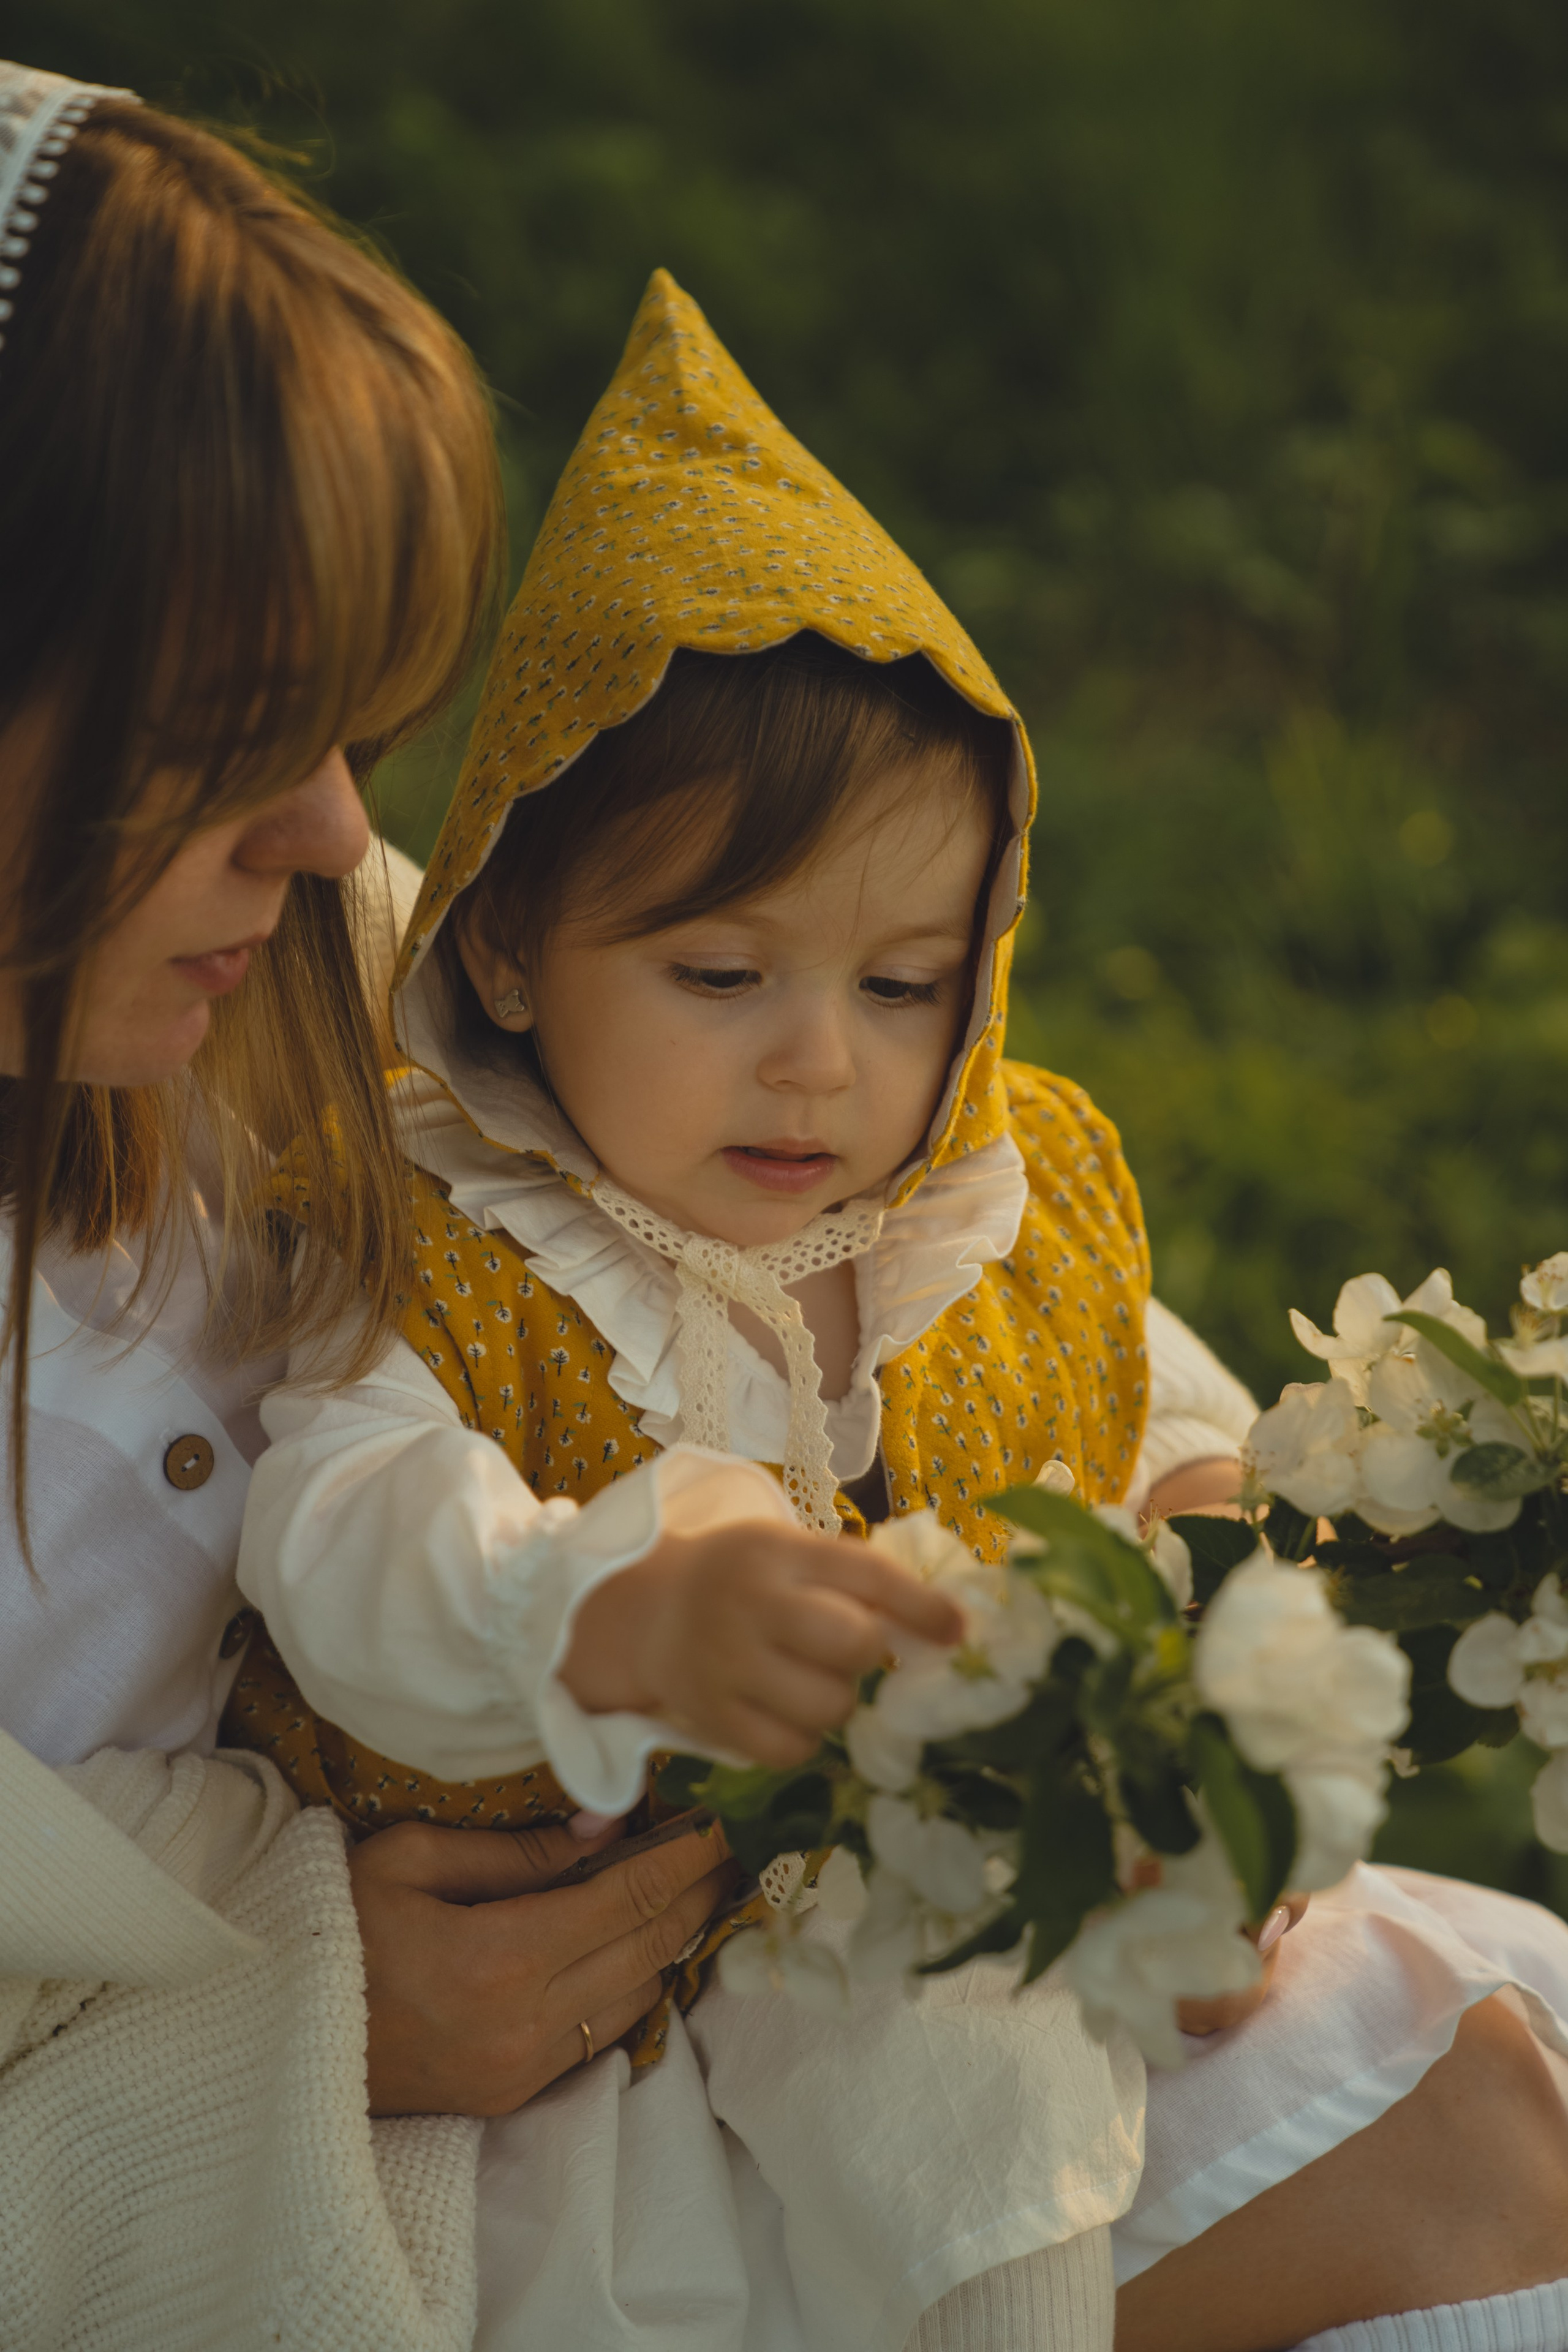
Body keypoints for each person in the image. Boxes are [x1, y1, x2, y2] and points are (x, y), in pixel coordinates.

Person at [233, 270, 1568, 2352]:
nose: (819, 1073)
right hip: (653, 2025)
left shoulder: (984, 1203)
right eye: (719, 974)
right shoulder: (446, 1244)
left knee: (1478, 2043)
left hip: (1008, 1910)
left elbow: (1118, 1412)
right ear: (501, 944)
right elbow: (338, 1523)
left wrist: (1206, 1526)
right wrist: (596, 1610)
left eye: (900, 983)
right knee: (987, 2116)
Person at [0, 64, 737, 2351]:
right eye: (225, 729)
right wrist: (302, 2050)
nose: (329, 831)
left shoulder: (283, 986)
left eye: (353, 729)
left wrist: (1196, 1463)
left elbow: (752, 1147)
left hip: (623, 2072)